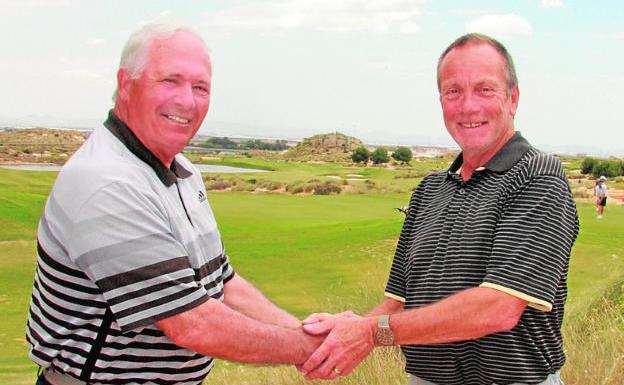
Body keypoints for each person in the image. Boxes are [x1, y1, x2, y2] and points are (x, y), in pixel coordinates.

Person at [26, 23, 322, 385]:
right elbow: (191, 323)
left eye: (201, 88)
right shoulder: (107, 181)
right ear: (125, 83)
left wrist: (304, 332)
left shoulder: (182, 171)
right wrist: (311, 349)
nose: (187, 100)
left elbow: (224, 283)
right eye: (170, 80)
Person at [300, 33, 579, 385]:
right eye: (453, 92)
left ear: (513, 98)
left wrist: (370, 332)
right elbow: (399, 302)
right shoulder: (430, 190)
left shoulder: (537, 176)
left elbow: (498, 308)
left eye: (485, 89)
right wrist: (348, 331)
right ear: (441, 101)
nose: (468, 106)